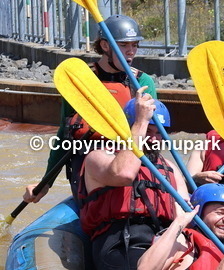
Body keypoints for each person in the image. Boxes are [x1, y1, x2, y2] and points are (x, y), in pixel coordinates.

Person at [25, 15, 157, 203]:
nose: (131, 52)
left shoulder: (143, 82)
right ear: (105, 46)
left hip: (128, 167)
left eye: (134, 45)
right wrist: (46, 183)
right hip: (89, 170)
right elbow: (64, 135)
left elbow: (153, 137)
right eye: (124, 45)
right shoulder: (82, 82)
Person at [76, 92, 185, 270]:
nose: (153, 139)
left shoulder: (170, 168)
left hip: (160, 245)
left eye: (159, 133)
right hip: (121, 247)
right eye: (148, 131)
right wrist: (141, 121)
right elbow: (124, 173)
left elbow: (185, 215)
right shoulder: (99, 157)